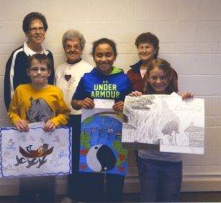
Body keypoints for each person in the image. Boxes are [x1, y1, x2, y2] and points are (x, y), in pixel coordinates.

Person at [71, 38, 133, 202]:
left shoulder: (124, 78)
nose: (103, 59)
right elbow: (74, 103)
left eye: (108, 55)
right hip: (92, 135)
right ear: (93, 56)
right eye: (99, 55)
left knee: (115, 176)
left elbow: (134, 106)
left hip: (116, 134)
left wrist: (126, 104)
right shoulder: (87, 78)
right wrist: (81, 102)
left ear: (114, 56)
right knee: (93, 176)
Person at [8, 54, 70, 203]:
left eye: (43, 69)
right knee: (26, 185)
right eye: (34, 69)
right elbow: (12, 112)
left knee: (48, 185)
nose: (39, 72)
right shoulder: (20, 90)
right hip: (27, 144)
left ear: (49, 72)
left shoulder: (55, 91)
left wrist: (55, 121)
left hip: (48, 145)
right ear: (28, 71)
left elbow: (65, 114)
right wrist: (17, 120)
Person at [132, 58, 193, 202]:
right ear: (148, 78)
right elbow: (135, 125)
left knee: (171, 197)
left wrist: (188, 105)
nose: (158, 81)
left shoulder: (178, 101)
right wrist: (133, 103)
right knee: (148, 197)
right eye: (154, 77)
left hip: (172, 161)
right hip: (147, 160)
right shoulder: (141, 99)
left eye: (163, 77)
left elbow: (185, 124)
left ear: (170, 77)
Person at [54, 29, 93, 201]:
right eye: (68, 46)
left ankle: (81, 195)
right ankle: (70, 195)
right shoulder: (58, 69)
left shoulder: (89, 70)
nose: (72, 49)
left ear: (82, 48)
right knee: (66, 158)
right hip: (62, 119)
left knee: (81, 159)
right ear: (64, 48)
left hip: (81, 119)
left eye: (76, 46)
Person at [4, 12, 54, 110]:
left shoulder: (49, 55)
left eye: (41, 28)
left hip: (47, 117)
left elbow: (51, 85)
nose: (38, 32)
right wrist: (16, 117)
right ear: (27, 33)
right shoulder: (18, 55)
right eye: (33, 29)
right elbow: (10, 89)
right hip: (23, 118)